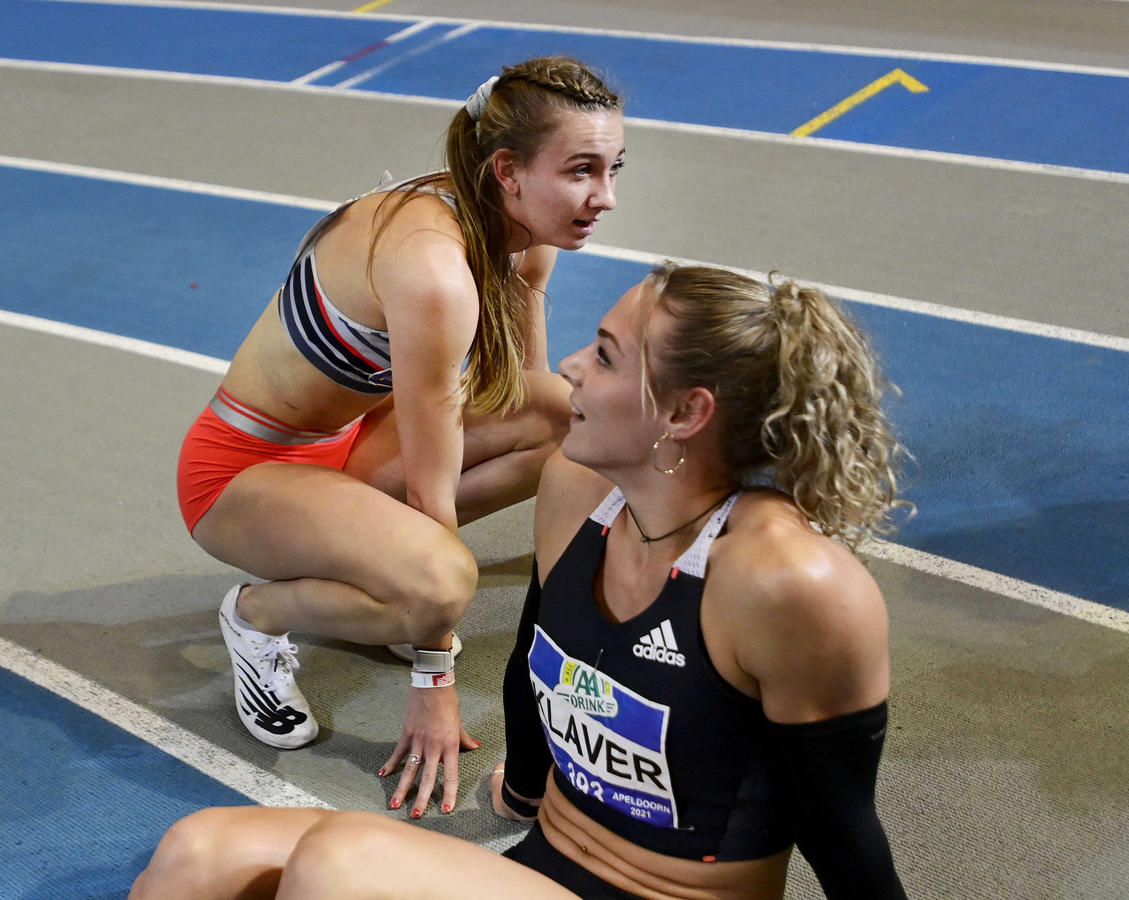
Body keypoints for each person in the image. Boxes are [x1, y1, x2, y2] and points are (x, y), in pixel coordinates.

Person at [131, 263, 911, 900]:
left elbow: (842, 828)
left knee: (343, 864)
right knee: (198, 853)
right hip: (546, 867)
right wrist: (527, 792)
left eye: (605, 355)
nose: (570, 365)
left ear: (684, 412)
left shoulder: (790, 581)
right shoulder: (579, 487)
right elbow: (542, 646)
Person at [175, 56, 626, 817]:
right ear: (508, 170)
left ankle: (386, 574)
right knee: (442, 583)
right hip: (242, 472)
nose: (605, 197)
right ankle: (257, 614)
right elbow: (431, 470)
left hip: (346, 444)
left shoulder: (524, 234)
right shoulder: (433, 269)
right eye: (582, 171)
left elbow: (522, 395)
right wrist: (433, 669)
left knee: (568, 414)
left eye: (614, 169)